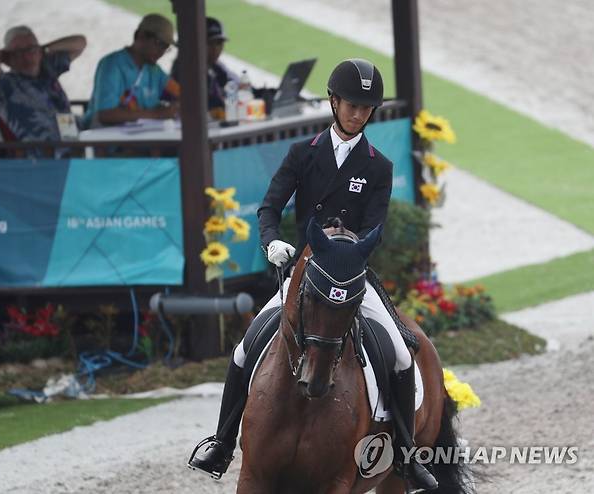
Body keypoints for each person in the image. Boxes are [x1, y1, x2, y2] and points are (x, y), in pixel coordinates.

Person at [188, 59, 439, 491]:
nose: (358, 114)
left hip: (350, 272)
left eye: (366, 108)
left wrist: (349, 247)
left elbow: (375, 228)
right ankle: (223, 441)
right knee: (246, 349)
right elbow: (270, 206)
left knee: (400, 352)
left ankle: (406, 453)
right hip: (305, 270)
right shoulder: (303, 153)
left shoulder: (378, 167)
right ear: (334, 101)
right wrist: (271, 242)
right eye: (352, 105)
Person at [0, 26, 86, 141]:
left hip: (72, 141)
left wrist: (45, 49)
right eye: (18, 52)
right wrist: (8, 56)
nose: (26, 56)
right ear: (9, 56)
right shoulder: (5, 84)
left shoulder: (47, 69)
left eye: (31, 49)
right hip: (42, 153)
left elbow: (80, 42)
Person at [83, 14, 179, 128]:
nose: (161, 51)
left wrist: (175, 107)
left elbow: (181, 95)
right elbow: (105, 114)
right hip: (109, 140)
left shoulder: (155, 71)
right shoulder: (112, 64)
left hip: (142, 139)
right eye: (159, 43)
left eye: (166, 47)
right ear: (140, 36)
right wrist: (156, 114)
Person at [170, 17, 238, 115]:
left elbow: (234, 85)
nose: (215, 49)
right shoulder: (184, 72)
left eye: (219, 43)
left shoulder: (215, 67)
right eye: (209, 43)